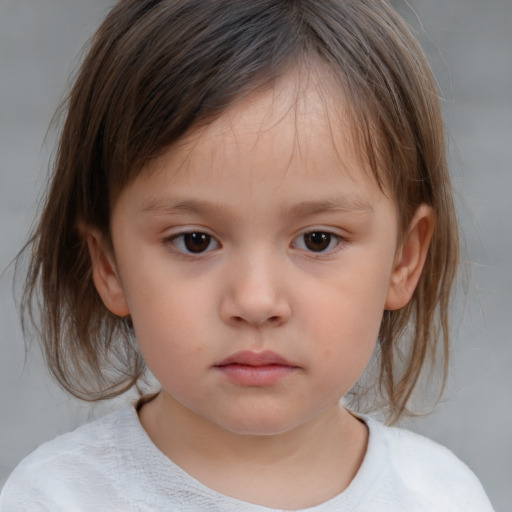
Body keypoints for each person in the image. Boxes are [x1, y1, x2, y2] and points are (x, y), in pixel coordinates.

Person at [0, 1, 494, 510]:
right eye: (195, 241)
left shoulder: (441, 497)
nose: (256, 301)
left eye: (317, 240)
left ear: (403, 260)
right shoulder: (57, 498)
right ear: (109, 265)